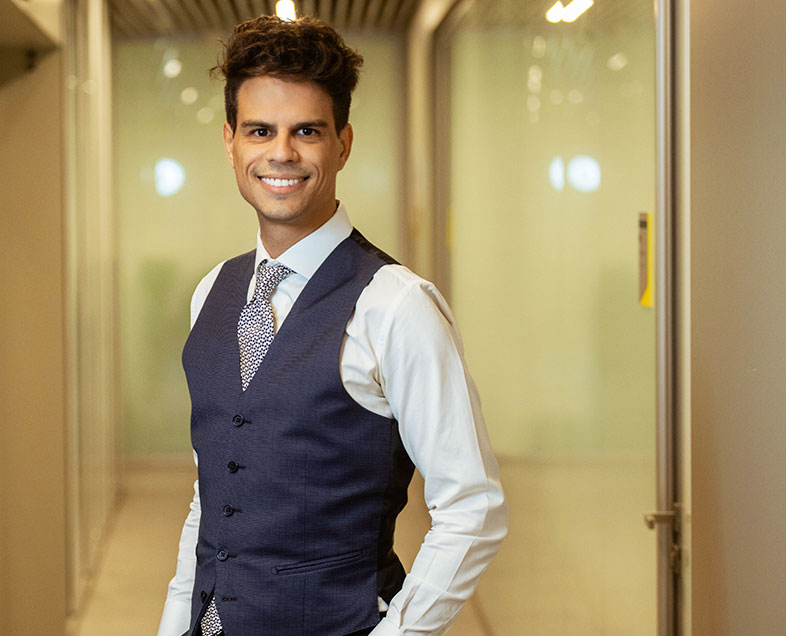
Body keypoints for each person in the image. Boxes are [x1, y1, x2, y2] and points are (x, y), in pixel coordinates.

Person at [157, 14, 507, 636]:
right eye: (260, 130)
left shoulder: (397, 306)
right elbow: (212, 497)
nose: (281, 153)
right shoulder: (212, 292)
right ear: (230, 142)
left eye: (307, 131)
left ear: (342, 143)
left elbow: (472, 507)